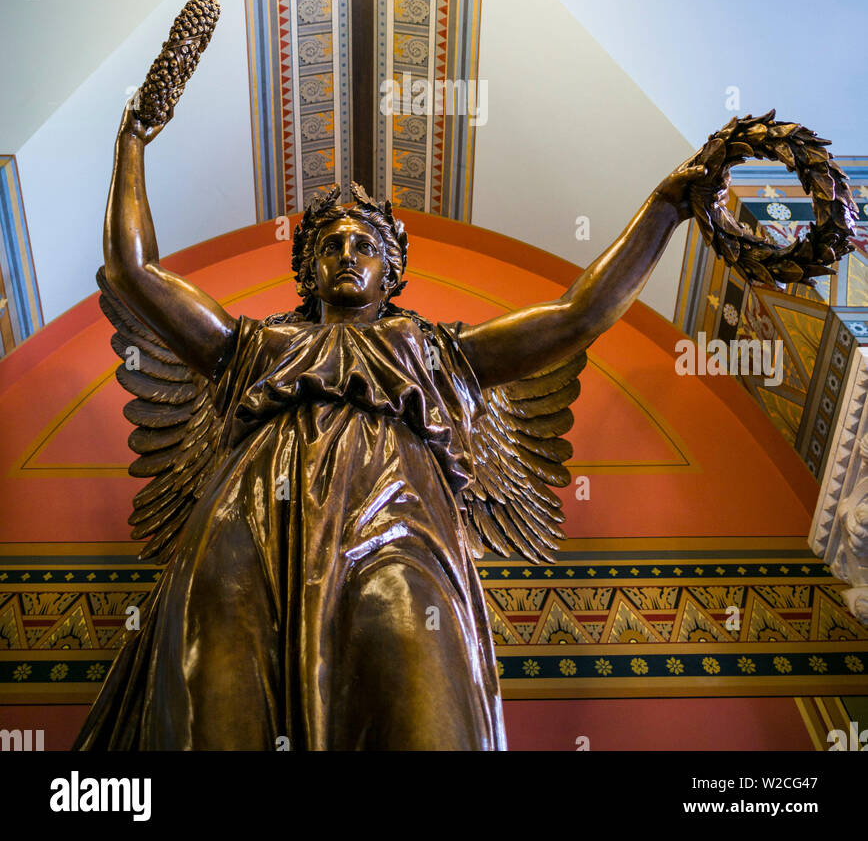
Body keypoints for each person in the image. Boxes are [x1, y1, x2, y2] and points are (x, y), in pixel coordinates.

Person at [75, 100, 710, 751]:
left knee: (424, 701)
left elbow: (579, 313)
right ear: (306, 270)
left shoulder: (431, 352)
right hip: (248, 531)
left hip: (397, 532)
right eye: (331, 245)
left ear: (392, 270)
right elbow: (135, 272)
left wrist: (665, 208)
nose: (347, 254)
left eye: (364, 245)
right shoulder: (255, 348)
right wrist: (132, 142)